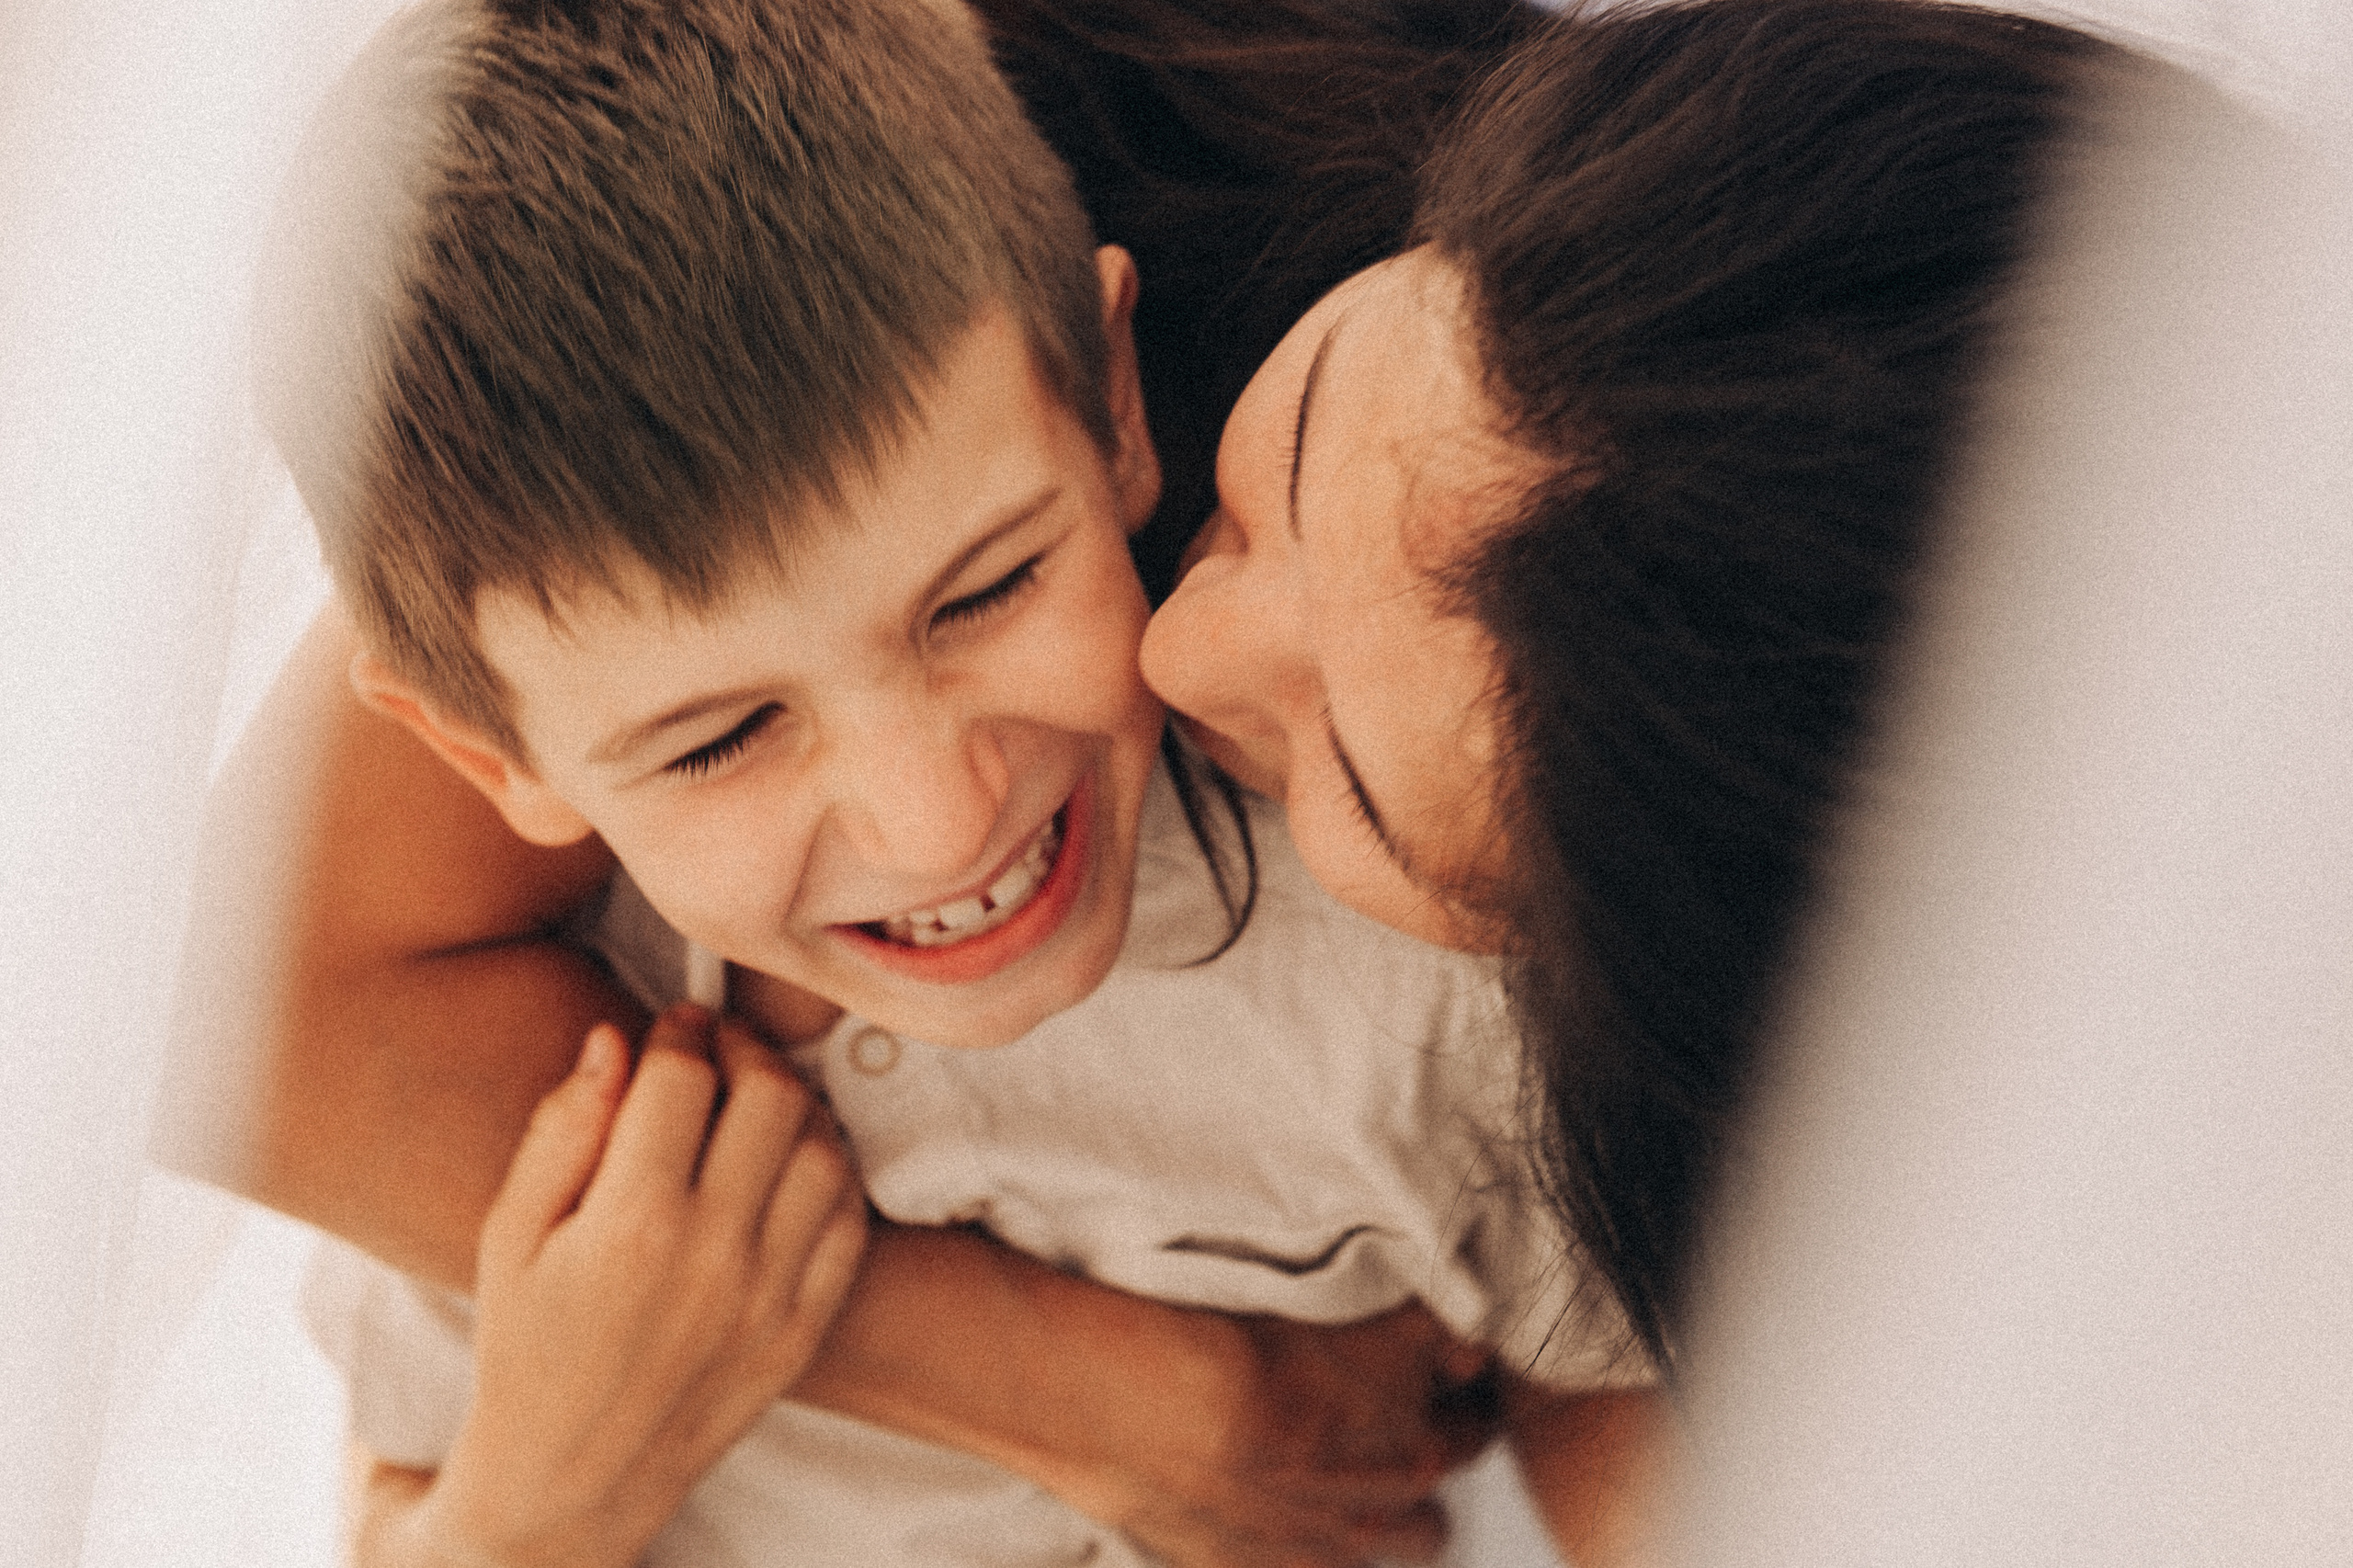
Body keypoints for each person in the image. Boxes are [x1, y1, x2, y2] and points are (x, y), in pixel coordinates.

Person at [182, 0, 2120, 1560]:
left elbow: (1606, 1386)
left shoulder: (1453, 1052)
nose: (1167, 658)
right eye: (1285, 459)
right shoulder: (798, 312)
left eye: (1351, 784)